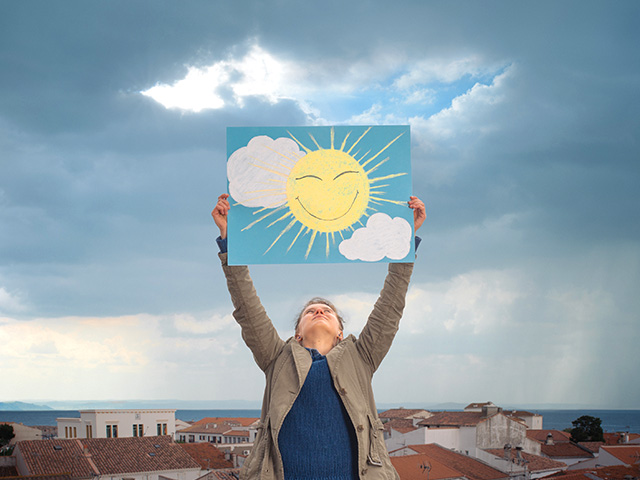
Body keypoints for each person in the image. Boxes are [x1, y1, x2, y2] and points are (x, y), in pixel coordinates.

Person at [212, 194, 426, 480]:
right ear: (297, 334)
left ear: (340, 332)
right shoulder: (276, 357)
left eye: (327, 310)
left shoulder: (361, 357)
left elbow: (391, 304)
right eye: (310, 311)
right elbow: (246, 307)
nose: (319, 310)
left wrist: (405, 238)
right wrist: (230, 240)